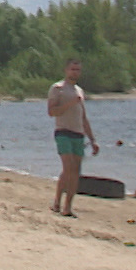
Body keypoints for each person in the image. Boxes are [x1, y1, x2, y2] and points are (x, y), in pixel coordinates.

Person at [47, 58, 99, 217]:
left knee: (74, 170)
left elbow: (83, 117)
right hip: (63, 131)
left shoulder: (79, 91)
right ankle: (60, 204)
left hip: (78, 134)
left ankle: (65, 205)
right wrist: (69, 104)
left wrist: (92, 140)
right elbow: (51, 112)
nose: (75, 72)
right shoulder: (58, 88)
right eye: (72, 69)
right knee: (69, 167)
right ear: (66, 70)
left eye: (78, 70)